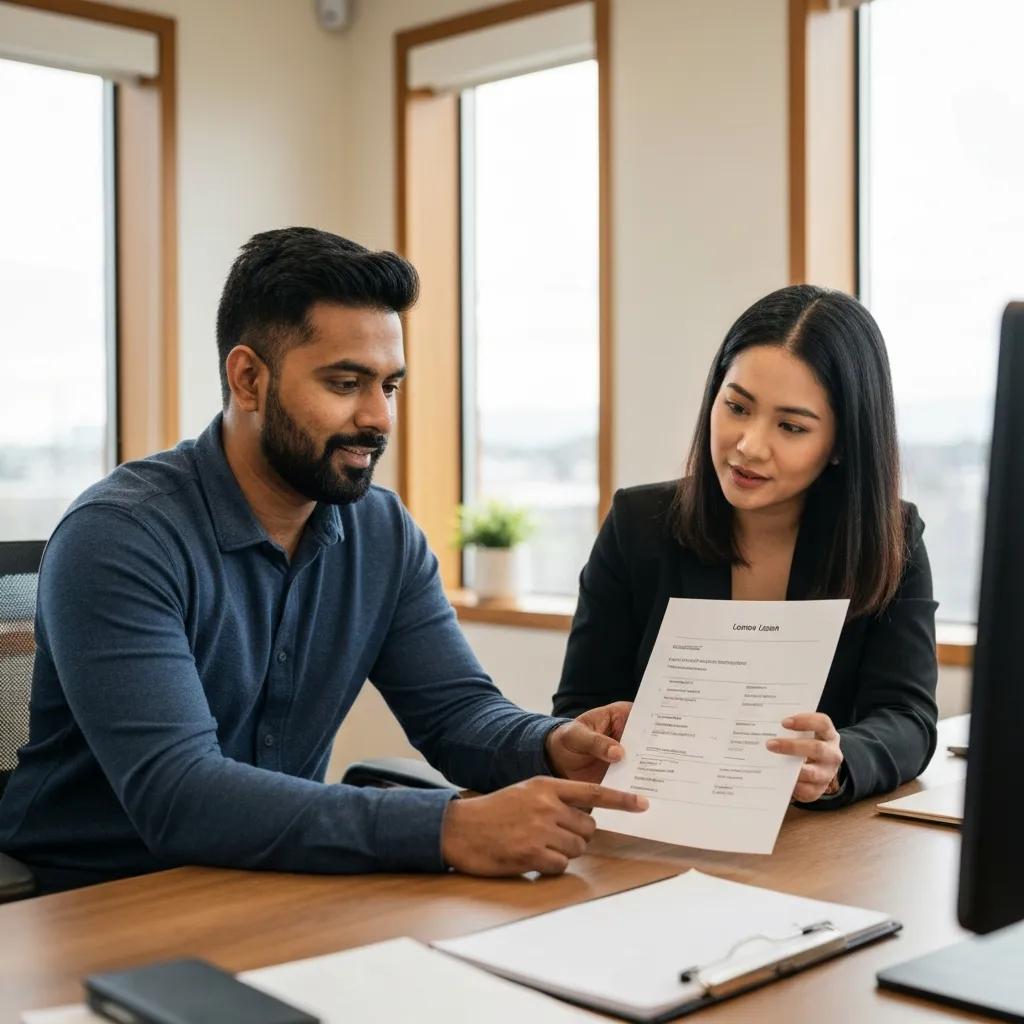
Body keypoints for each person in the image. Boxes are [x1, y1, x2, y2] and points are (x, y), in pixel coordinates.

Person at [0, 227, 647, 893]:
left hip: (280, 881)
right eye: (346, 383)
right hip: (92, 897)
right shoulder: (120, 537)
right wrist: (446, 827)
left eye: (389, 386)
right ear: (249, 379)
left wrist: (550, 746)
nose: (379, 418)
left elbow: (456, 714)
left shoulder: (382, 532)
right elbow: (179, 793)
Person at [553, 284, 939, 806]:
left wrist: (839, 761)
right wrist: (597, 733)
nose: (750, 446)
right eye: (736, 406)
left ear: (842, 443)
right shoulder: (638, 524)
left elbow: (908, 718)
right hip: (652, 818)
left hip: (812, 832)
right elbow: (578, 707)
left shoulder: (891, 537)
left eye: (791, 426)